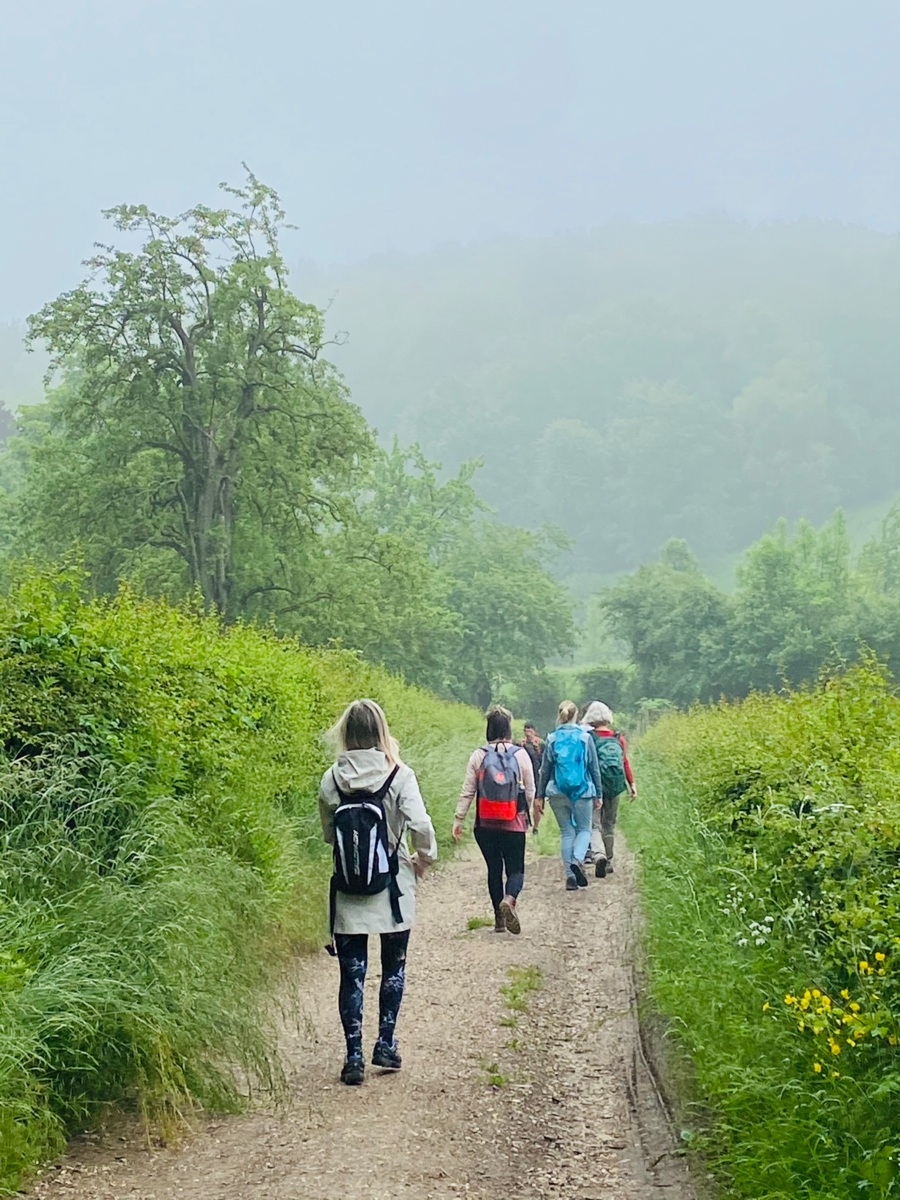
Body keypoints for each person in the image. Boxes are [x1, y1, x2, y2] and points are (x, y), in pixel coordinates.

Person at [319, 699, 437, 1086]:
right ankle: (384, 1042)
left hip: (349, 888)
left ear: (346, 734)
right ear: (382, 731)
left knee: (352, 974)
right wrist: (423, 859)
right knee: (393, 969)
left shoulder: (331, 779)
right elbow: (421, 826)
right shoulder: (399, 774)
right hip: (393, 888)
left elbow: (327, 837)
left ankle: (353, 1055)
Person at [453, 706, 536, 934]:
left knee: (493, 868)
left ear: (488, 728)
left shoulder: (479, 755)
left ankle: (499, 920)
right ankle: (509, 899)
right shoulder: (521, 755)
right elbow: (530, 790)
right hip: (514, 822)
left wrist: (458, 819)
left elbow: (468, 791)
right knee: (515, 869)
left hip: (485, 823)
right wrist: (526, 813)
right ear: (508, 728)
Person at [536, 700, 602, 890]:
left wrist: (540, 796)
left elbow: (545, 769)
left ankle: (570, 877)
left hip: (557, 791)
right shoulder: (585, 737)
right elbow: (594, 768)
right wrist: (598, 794)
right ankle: (578, 859)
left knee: (566, 832)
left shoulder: (552, 738)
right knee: (584, 830)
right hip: (583, 791)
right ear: (576, 716)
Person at [582, 700, 637, 877]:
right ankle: (610, 861)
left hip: (595, 787)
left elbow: (585, 763)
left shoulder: (589, 737)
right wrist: (632, 784)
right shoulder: (618, 737)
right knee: (610, 824)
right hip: (615, 785)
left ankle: (599, 855)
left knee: (595, 824)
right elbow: (624, 761)